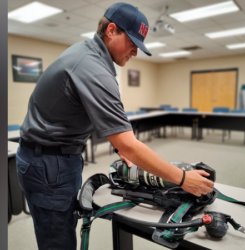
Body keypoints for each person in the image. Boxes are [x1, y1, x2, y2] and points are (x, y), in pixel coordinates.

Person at [16, 2, 214, 250]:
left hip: (52, 158)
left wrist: (121, 148)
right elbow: (129, 145)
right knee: (58, 240)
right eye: (132, 42)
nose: (135, 52)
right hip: (49, 165)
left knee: (61, 227)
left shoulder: (87, 53)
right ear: (111, 31)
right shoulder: (92, 67)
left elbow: (85, 116)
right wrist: (183, 179)